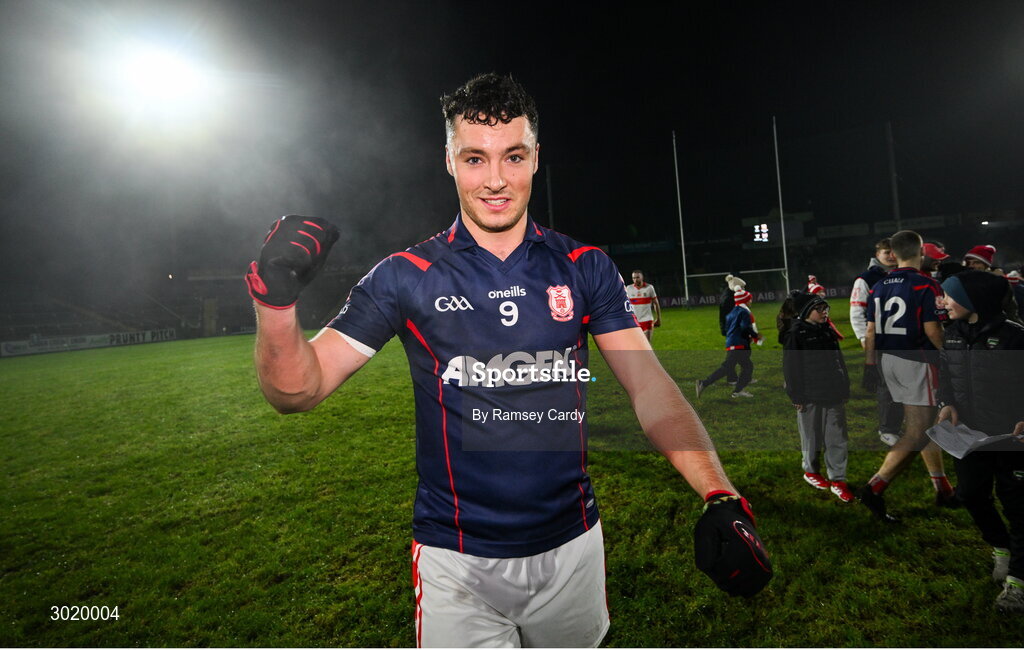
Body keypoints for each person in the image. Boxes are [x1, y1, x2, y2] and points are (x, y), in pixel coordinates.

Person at [245, 73, 770, 648]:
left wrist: (719, 492)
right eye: (475, 158)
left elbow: (650, 388)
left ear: (536, 157)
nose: (495, 180)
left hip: (573, 548)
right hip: (456, 559)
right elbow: (298, 390)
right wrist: (275, 302)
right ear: (449, 161)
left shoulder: (584, 265)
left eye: (513, 156)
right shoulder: (404, 276)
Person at [935, 271, 1024, 613]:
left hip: (1012, 439)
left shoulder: (1015, 337)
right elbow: (946, 377)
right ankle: (1001, 547)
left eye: (948, 296)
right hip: (970, 437)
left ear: (975, 301)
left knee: (1017, 506)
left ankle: (1017, 582)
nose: (942, 302)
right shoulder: (953, 334)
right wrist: (947, 404)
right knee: (970, 494)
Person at [856, 230, 957, 522]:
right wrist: (955, 358)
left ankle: (942, 487)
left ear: (894, 253)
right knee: (918, 431)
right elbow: (932, 330)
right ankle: (875, 487)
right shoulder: (925, 284)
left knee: (927, 425)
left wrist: (869, 366)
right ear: (920, 252)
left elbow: (871, 330)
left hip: (889, 361)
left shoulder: (879, 284)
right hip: (916, 362)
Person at [782, 291, 853, 502]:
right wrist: (796, 395)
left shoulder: (827, 331)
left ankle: (838, 479)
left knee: (837, 436)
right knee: (811, 436)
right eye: (819, 309)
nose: (824, 312)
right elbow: (791, 368)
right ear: (806, 312)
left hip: (833, 393)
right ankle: (811, 471)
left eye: (825, 308)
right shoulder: (796, 334)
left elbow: (839, 361)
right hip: (810, 395)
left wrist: (844, 386)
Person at [850, 238, 903, 446]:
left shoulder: (905, 273)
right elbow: (856, 311)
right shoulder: (866, 278)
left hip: (906, 339)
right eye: (886, 252)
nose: (891, 256)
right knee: (887, 384)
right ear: (877, 254)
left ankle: (907, 420)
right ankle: (888, 428)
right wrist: (864, 338)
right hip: (881, 340)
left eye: (893, 252)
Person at [696, 286, 763, 399]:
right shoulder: (744, 312)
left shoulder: (732, 312)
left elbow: (729, 328)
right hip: (739, 344)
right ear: (744, 300)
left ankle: (738, 391)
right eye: (749, 299)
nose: (751, 301)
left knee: (746, 366)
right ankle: (704, 383)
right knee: (728, 367)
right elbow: (746, 328)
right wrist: (756, 336)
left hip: (732, 342)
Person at [626, 270, 661, 341]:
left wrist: (658, 318)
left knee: (647, 346)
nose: (635, 280)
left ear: (642, 277)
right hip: (634, 322)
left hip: (647, 321)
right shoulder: (629, 288)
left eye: (637, 277)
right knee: (636, 346)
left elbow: (656, 303)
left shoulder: (649, 288)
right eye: (634, 278)